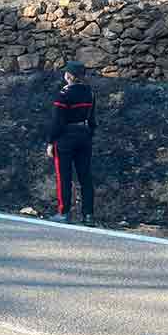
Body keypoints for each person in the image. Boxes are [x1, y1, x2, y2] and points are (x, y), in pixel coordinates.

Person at [46, 61, 97, 225]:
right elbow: (92, 118)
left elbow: (57, 121)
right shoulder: (90, 92)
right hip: (84, 136)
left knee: (64, 176)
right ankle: (88, 215)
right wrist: (89, 134)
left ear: (69, 76)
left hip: (65, 138)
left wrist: (51, 141)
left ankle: (64, 213)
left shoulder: (64, 94)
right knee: (85, 177)